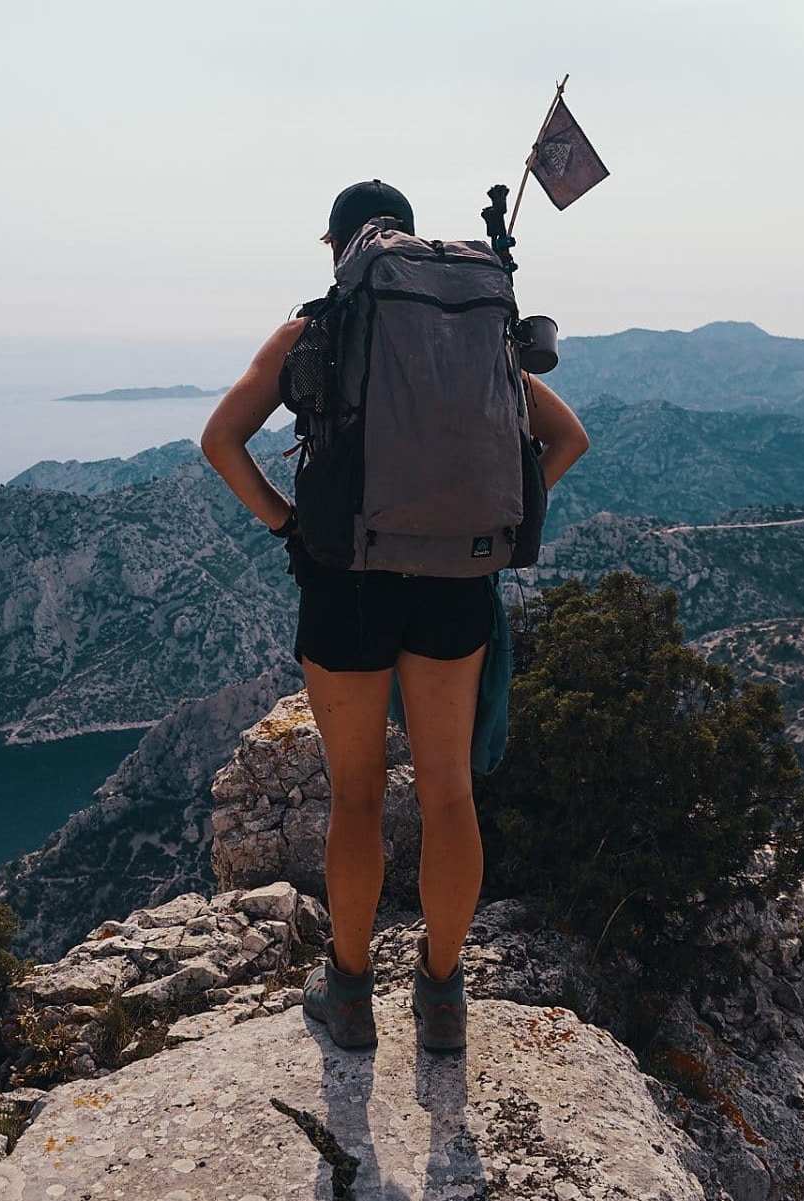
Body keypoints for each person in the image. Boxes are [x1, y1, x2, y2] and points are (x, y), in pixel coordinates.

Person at [201, 181, 589, 1052]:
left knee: (358, 795)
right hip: (456, 585)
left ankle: (347, 990)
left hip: (348, 582)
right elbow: (569, 440)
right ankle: (444, 997)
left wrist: (290, 525)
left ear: (340, 245)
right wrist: (489, 530)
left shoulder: (319, 327)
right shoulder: (471, 333)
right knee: (450, 793)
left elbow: (220, 438)